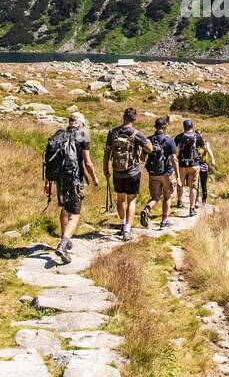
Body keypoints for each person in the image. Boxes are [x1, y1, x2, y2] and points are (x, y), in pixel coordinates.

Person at [43, 112, 98, 265]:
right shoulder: (82, 136)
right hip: (74, 179)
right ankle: (63, 244)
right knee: (75, 213)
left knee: (65, 209)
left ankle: (64, 238)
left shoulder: (58, 135)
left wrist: (47, 182)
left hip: (59, 179)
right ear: (80, 123)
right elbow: (87, 162)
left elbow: (49, 161)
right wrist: (94, 178)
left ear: (69, 122)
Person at [103, 107, 153, 241]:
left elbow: (107, 152)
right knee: (131, 200)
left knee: (120, 199)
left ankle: (121, 223)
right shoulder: (137, 133)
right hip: (132, 172)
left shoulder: (112, 132)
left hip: (117, 172)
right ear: (134, 119)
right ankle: (127, 230)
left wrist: (105, 169)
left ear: (123, 117)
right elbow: (149, 148)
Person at [141, 116, 179, 230]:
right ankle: (164, 221)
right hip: (167, 173)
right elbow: (174, 159)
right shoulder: (170, 140)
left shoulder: (149, 140)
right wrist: (178, 176)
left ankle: (146, 209)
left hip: (154, 173)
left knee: (155, 197)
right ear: (165, 127)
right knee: (167, 196)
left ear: (155, 127)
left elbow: (142, 157)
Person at [173, 118, 206, 217]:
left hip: (182, 164)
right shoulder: (197, 136)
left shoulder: (179, 136)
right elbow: (202, 148)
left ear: (184, 127)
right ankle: (191, 208)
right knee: (193, 186)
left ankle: (179, 201)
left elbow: (174, 149)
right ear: (192, 126)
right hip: (194, 164)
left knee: (181, 183)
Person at [197, 135, 216, 210]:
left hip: (203, 164)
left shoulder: (205, 143)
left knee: (203, 184)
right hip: (195, 164)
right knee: (195, 184)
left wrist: (212, 159)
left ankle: (203, 201)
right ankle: (196, 200)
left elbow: (208, 149)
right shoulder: (194, 143)